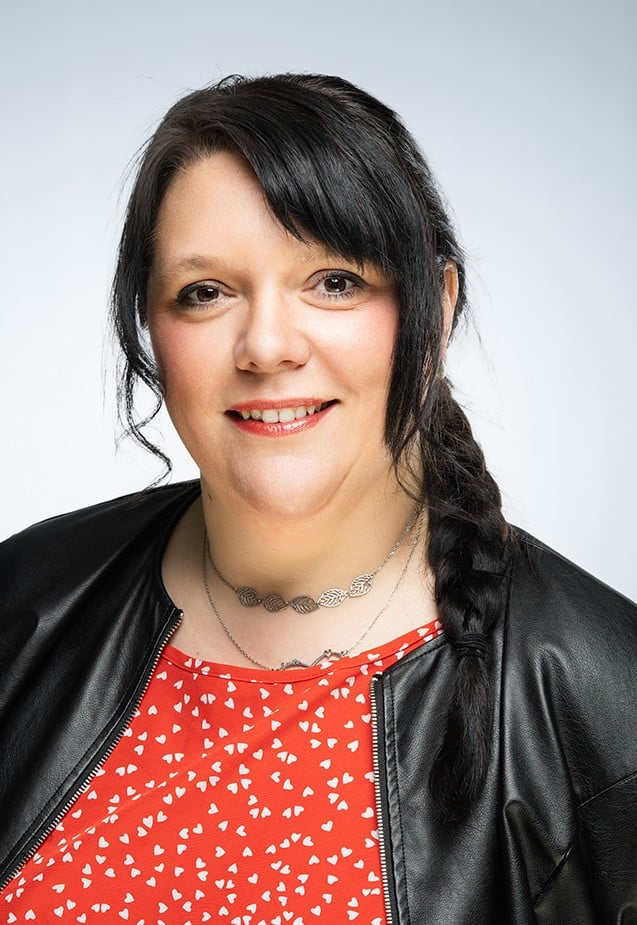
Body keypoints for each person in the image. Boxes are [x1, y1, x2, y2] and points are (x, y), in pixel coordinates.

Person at [1, 73, 635, 925]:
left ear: (435, 310)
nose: (266, 346)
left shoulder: (607, 700)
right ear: (152, 326)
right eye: (205, 292)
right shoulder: (26, 603)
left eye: (334, 281)